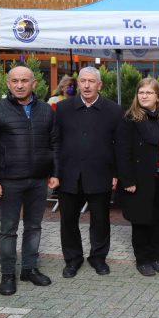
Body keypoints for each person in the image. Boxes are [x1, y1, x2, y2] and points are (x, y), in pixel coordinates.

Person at [0, 66, 60, 295]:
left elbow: (54, 144)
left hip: (37, 181)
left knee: (34, 227)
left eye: (24, 80)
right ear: (8, 84)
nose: (19, 85)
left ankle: (29, 269)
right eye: (14, 81)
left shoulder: (46, 111)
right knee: (8, 229)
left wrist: (55, 173)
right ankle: (7, 273)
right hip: (8, 181)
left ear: (34, 83)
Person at [55, 66, 122, 278]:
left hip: (100, 174)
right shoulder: (63, 108)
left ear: (99, 85)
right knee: (68, 220)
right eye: (83, 81)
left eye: (91, 81)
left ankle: (98, 258)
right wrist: (55, 173)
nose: (86, 85)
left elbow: (119, 145)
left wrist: (116, 173)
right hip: (69, 174)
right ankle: (72, 259)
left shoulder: (113, 110)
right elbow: (55, 142)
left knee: (101, 220)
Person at [116, 78, 159, 275]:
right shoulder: (130, 119)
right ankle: (142, 259)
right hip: (140, 179)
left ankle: (156, 257)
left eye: (148, 93)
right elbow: (122, 152)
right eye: (141, 92)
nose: (144, 96)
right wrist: (127, 180)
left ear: (158, 96)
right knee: (141, 221)